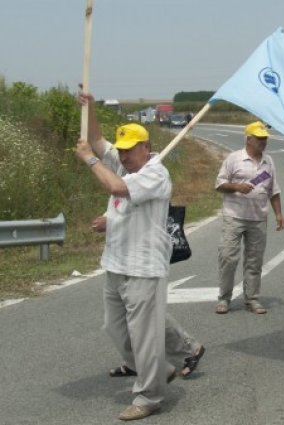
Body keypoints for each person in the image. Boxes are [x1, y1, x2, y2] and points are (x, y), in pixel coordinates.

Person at [76, 94, 176, 421]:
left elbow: (118, 188)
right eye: (121, 149)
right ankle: (158, 370)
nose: (123, 154)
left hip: (143, 267)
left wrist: (90, 160)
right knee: (115, 328)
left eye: (130, 149)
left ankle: (149, 396)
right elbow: (95, 140)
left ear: (146, 147)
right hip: (116, 262)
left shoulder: (156, 173)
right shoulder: (123, 162)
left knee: (144, 337)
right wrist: (89, 107)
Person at [90, 214, 206, 378]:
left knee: (146, 316)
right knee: (116, 323)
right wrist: (107, 217)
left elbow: (149, 214)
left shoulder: (146, 188)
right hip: (116, 261)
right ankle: (137, 364)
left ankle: (183, 353)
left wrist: (112, 223)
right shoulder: (121, 190)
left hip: (140, 262)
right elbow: (120, 205)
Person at [215, 121, 284, 315]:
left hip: (258, 217)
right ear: (248, 139)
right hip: (234, 216)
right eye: (259, 139)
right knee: (228, 257)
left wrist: (278, 213)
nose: (263, 142)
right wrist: (237, 187)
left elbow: (274, 190)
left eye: (265, 139)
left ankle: (252, 299)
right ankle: (224, 298)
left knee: (254, 260)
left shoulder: (269, 162)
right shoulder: (234, 159)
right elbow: (219, 183)